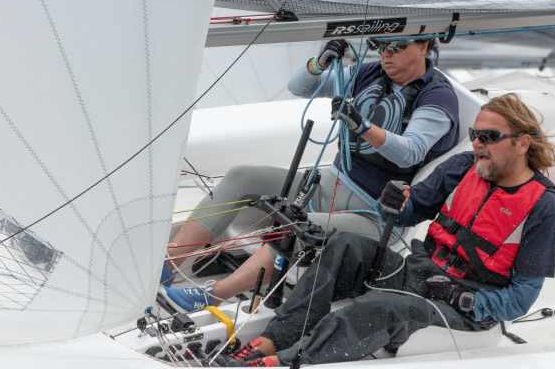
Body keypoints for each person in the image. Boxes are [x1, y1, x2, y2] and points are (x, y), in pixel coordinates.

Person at [215, 93, 555, 368]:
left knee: (382, 305)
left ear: (522, 144)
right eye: (475, 135)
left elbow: (522, 299)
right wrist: (394, 202)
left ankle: (290, 361)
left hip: (464, 306)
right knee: (344, 246)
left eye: (488, 137)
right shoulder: (464, 167)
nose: (476, 144)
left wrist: (465, 298)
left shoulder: (544, 209)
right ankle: (274, 338)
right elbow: (408, 213)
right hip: (419, 273)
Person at [162, 36, 460, 311]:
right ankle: (165, 267)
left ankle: (212, 295)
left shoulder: (437, 97)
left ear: (423, 45)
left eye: (396, 47)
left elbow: (410, 150)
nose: (385, 54)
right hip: (326, 187)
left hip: (373, 216)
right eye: (380, 46)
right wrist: (319, 63)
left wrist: (362, 126)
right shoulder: (371, 74)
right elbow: (300, 87)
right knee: (242, 176)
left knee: (298, 225)